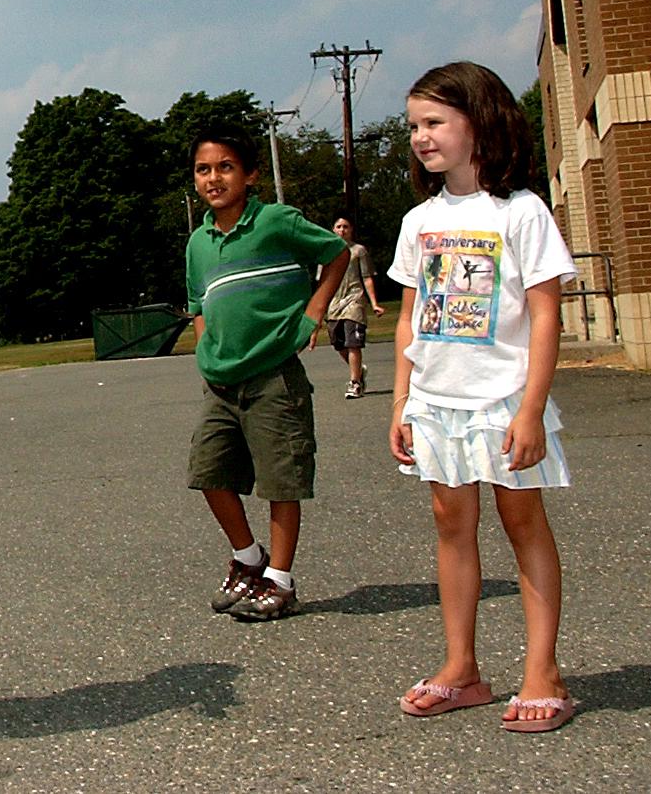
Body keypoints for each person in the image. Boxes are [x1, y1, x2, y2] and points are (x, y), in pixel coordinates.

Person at [388, 62, 578, 734]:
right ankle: (461, 667)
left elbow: (546, 314)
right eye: (413, 125)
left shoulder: (521, 212)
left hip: (503, 399)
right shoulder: (419, 221)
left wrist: (530, 408)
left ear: (481, 123)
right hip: (437, 402)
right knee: (451, 524)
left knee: (521, 522)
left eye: (434, 122)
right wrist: (402, 402)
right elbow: (410, 317)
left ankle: (542, 670)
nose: (420, 136)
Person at [185, 131, 349, 621]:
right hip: (221, 381)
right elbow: (199, 302)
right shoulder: (198, 242)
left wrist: (314, 310)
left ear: (251, 175)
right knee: (208, 472)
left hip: (273, 376)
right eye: (203, 169)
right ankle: (248, 558)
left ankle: (279, 579)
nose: (214, 178)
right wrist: (205, 342)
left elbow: (336, 252)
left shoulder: (276, 222)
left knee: (281, 479)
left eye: (226, 166)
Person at [310, 216, 384, 398]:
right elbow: (322, 281)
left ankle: (355, 382)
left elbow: (367, 277)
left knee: (353, 343)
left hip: (354, 300)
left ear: (351, 230)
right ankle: (359, 370)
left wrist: (374, 303)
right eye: (338, 226)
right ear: (333, 229)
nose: (342, 230)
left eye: (346, 227)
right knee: (338, 342)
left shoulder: (358, 251)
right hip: (335, 303)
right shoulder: (326, 252)